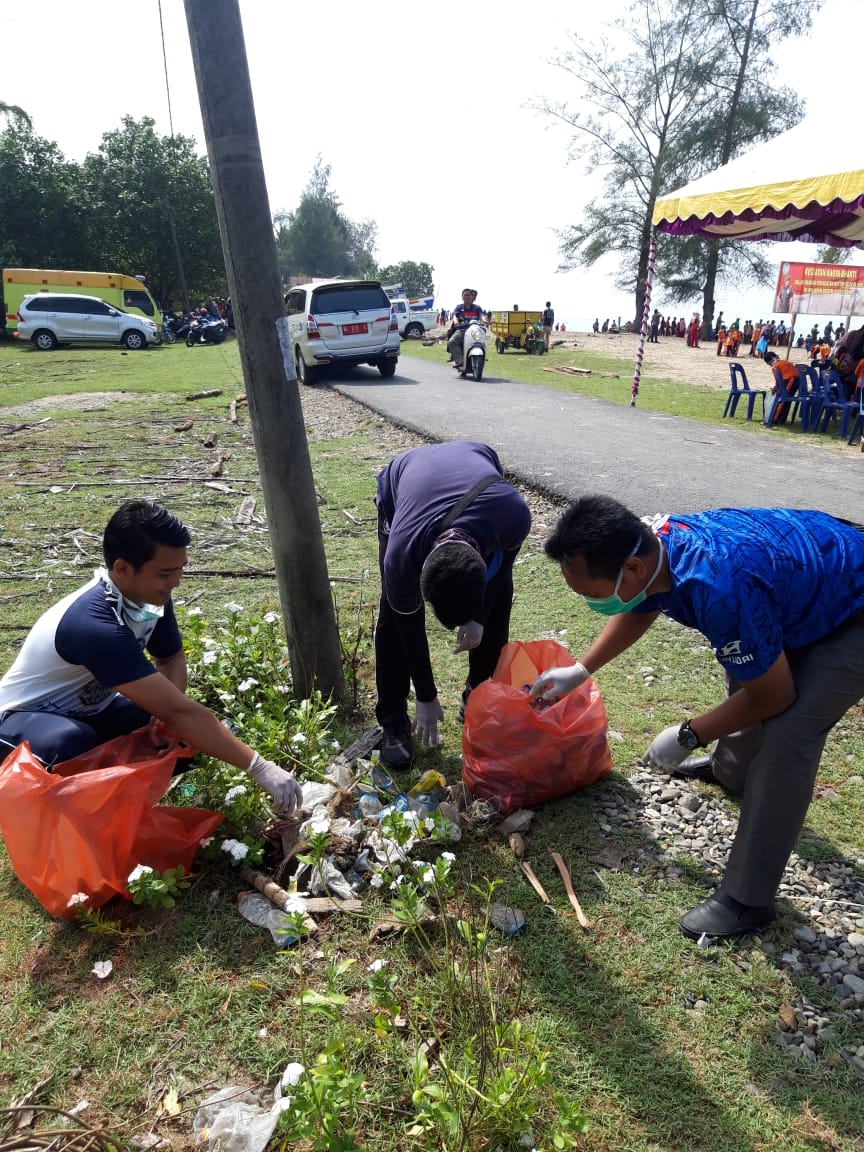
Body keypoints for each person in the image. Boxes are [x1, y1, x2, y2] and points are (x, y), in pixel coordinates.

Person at [528, 494, 864, 942]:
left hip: (854, 608)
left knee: (789, 730)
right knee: (745, 663)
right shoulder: (652, 545)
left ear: (631, 570)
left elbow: (774, 694)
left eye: (590, 593)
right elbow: (640, 605)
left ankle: (747, 900)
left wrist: (690, 733)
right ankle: (734, 772)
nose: (592, 603)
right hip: (806, 582)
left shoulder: (717, 586)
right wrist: (580, 670)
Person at [0, 501, 302, 814]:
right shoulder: (93, 625)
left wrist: (162, 720)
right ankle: (48, 810)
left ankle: (121, 802)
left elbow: (170, 659)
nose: (176, 582)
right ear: (122, 569)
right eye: (166, 573)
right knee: (71, 742)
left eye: (181, 569)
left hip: (90, 709)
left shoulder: (149, 599)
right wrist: (259, 766)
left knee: (183, 735)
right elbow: (178, 711)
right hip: (21, 720)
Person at [374, 441, 532, 770]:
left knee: (499, 599)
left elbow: (502, 569)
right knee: (393, 616)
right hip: (403, 480)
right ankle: (393, 721)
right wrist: (426, 696)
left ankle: (478, 697)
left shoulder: (513, 514)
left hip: (475, 466)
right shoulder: (402, 558)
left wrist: (478, 618)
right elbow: (409, 627)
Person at [447, 289, 485, 369]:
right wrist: (456, 322)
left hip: (475, 330)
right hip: (462, 329)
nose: (467, 297)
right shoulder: (459, 307)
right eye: (465, 295)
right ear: (462, 297)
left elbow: (482, 316)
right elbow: (455, 316)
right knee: (452, 342)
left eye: (469, 295)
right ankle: (459, 359)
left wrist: (485, 320)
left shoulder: (477, 308)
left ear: (472, 297)